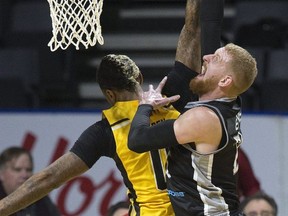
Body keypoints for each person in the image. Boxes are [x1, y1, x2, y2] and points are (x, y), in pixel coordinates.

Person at [0, 1, 202, 214]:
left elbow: (48, 179)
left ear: (109, 95)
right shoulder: (172, 96)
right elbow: (192, 30)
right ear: (140, 77)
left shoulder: (105, 132)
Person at [128, 3, 258, 216]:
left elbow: (137, 140)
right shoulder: (229, 100)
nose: (205, 58)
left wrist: (145, 105)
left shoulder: (203, 119)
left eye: (214, 59)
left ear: (225, 80)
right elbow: (208, 29)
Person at [0, 146, 60, 216]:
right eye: (17, 169)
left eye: (28, 170)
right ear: (1, 174)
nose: (24, 175)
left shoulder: (41, 199)